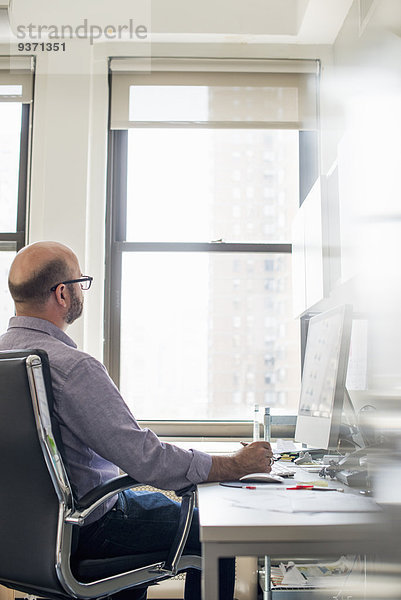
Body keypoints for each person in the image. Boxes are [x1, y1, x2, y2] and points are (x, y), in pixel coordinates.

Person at [0, 241, 273, 600]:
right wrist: (234, 465)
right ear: (63, 294)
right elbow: (148, 461)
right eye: (81, 281)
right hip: (88, 529)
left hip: (18, 538)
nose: (83, 289)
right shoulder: (73, 368)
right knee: (212, 530)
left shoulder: (8, 359)